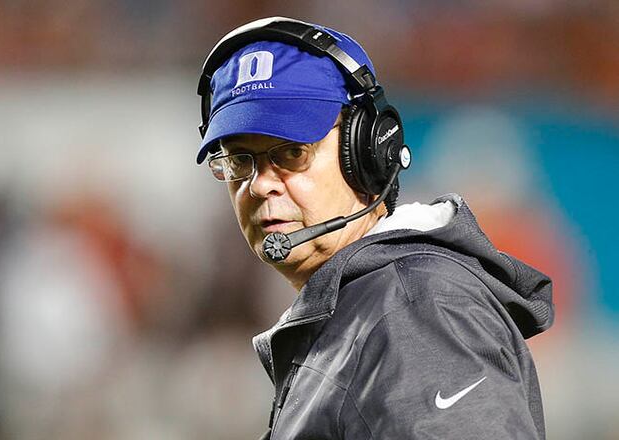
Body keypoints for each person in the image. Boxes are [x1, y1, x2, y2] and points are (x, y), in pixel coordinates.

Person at [195, 17, 554, 439]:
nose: (259, 185)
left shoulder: (418, 311)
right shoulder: (368, 310)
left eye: (292, 152)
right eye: (239, 160)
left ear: (367, 150)